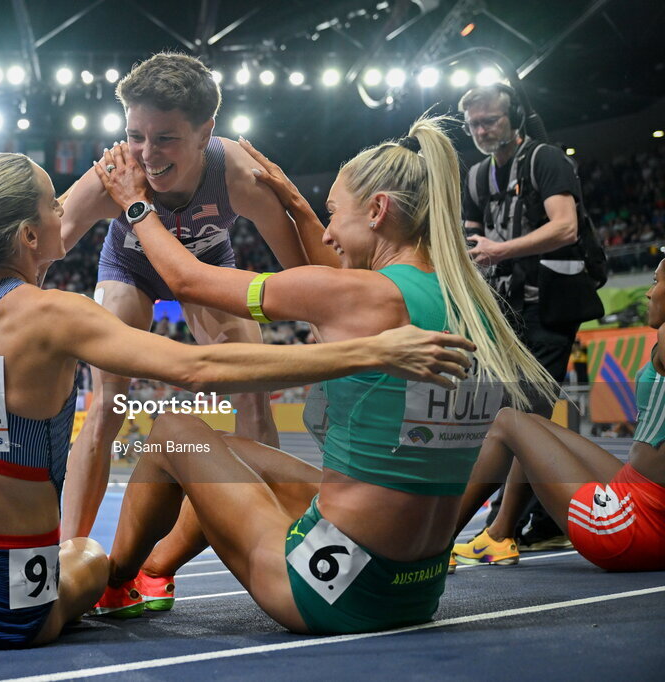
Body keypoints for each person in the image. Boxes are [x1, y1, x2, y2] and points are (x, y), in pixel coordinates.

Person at [0, 151, 475, 647]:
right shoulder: (50, 314)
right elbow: (196, 370)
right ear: (35, 234)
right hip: (4, 601)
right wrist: (371, 350)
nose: (70, 215)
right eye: (56, 205)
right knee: (88, 560)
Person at [85, 116, 557, 632]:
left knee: (175, 433)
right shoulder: (473, 301)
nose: (328, 232)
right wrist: (296, 205)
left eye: (333, 214)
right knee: (232, 454)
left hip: (330, 590)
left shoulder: (359, 296)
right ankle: (154, 573)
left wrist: (135, 204)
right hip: (417, 590)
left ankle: (115, 583)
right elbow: (341, 276)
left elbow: (186, 279)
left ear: (378, 210)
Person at [58, 53, 333, 540]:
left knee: (252, 393)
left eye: (165, 138)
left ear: (205, 134)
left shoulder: (236, 174)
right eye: (135, 135)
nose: (146, 154)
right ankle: (70, 547)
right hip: (130, 269)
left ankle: (280, 538)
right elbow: (44, 242)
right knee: (107, 405)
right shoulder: (113, 175)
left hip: (206, 271)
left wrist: (323, 320)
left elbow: (299, 264)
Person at [451, 259, 665, 571]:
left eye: (657, 282)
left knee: (507, 422)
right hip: (642, 499)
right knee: (536, 427)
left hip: (629, 529)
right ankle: (498, 534)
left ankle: (429, 549)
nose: (648, 293)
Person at [459, 83, 600, 549]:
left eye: (491, 120)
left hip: (552, 304)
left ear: (513, 116)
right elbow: (472, 242)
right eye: (474, 123)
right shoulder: (478, 176)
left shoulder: (544, 158)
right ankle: (546, 520)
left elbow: (566, 226)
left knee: (524, 415)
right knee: (514, 416)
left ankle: (502, 528)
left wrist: (500, 250)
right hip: (509, 310)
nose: (481, 130)